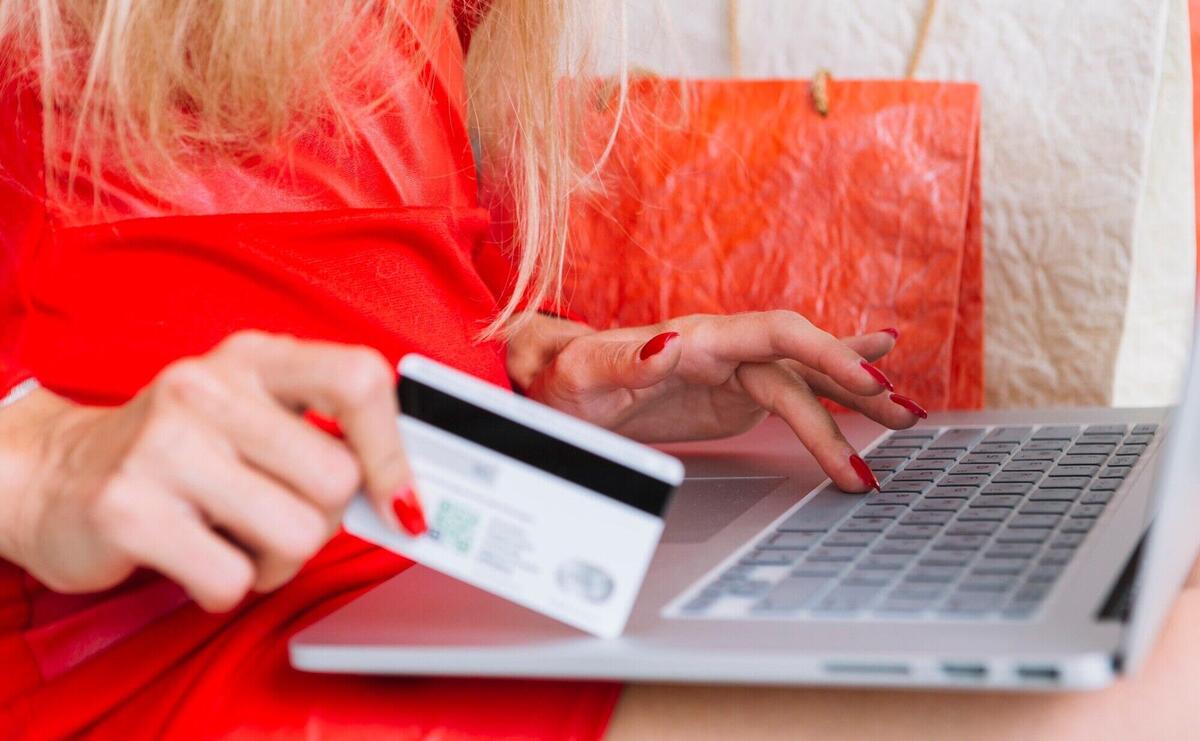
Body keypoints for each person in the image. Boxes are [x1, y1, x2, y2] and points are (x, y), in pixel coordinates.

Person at [0, 0, 928, 736]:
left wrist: (505, 374)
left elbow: (298, 246)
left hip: (445, 573)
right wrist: (38, 463)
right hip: (146, 650)